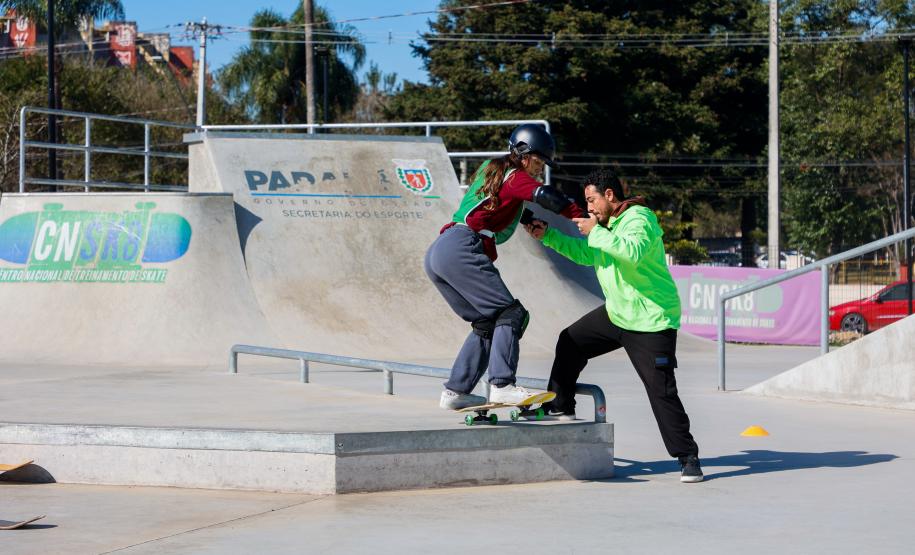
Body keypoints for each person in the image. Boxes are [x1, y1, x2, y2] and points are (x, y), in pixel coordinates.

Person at [523, 168, 703, 483]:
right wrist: (547, 234)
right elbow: (583, 254)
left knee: (660, 391)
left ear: (609, 195)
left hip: (651, 320)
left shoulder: (640, 219)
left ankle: (688, 457)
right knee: (570, 341)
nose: (589, 208)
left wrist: (596, 231)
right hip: (617, 314)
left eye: (592, 200)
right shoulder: (604, 227)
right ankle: (560, 405)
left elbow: (631, 252)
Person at [425, 124, 584, 410]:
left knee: (487, 322)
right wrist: (582, 218)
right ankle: (502, 385)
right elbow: (550, 198)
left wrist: (526, 220)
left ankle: (456, 391)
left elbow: (497, 204)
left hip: (441, 250)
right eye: (537, 161)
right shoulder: (517, 177)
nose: (539, 169)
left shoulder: (493, 168)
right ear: (522, 153)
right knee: (512, 313)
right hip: (464, 248)